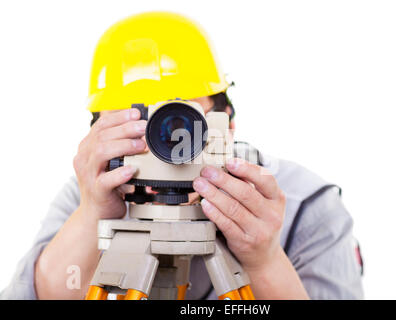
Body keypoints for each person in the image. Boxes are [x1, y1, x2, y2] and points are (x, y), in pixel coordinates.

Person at [0, 12, 364, 300]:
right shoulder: (91, 195)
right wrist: (91, 215)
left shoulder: (307, 207)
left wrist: (264, 258)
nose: (163, 141)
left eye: (177, 119)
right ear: (99, 134)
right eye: (137, 121)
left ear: (227, 123)